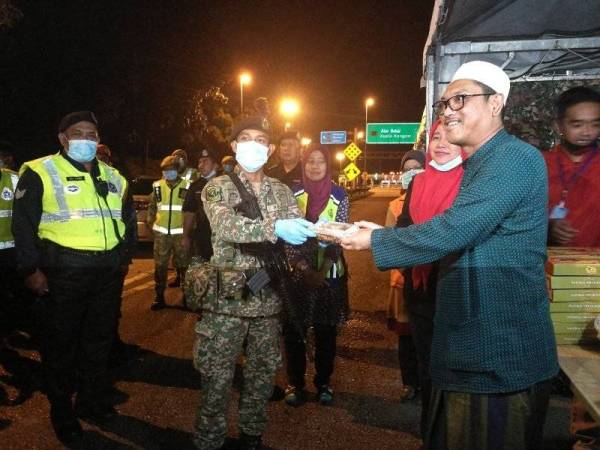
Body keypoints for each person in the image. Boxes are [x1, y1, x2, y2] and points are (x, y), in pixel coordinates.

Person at [341, 61, 559, 450]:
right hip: (469, 349)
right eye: (444, 104)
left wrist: (377, 243)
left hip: (498, 357)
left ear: (496, 103)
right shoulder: (481, 163)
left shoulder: (515, 159)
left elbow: (457, 227)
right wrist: (385, 233)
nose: (448, 111)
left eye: (461, 99)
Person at [12, 111, 136, 445]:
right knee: (60, 348)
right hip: (62, 274)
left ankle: (90, 402)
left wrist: (123, 259)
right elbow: (22, 226)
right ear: (63, 138)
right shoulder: (40, 171)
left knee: (98, 345)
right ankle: (62, 414)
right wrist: (30, 270)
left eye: (92, 134)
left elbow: (127, 221)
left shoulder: (114, 177)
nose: (86, 139)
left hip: (106, 275)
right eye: (78, 132)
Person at [193, 115, 315, 450]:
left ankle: (251, 434)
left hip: (268, 301)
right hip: (226, 303)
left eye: (261, 140)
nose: (253, 145)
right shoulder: (218, 186)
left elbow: (296, 240)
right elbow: (226, 226)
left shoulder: (281, 191)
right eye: (245, 138)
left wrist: (316, 240)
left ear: (271, 148)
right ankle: (209, 439)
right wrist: (273, 229)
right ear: (233, 146)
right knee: (216, 379)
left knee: (261, 378)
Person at [396, 120, 464, 436]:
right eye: (436, 136)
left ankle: (455, 431)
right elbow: (404, 227)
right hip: (420, 290)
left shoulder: (472, 182)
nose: (441, 143)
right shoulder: (417, 183)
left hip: (455, 290)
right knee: (427, 366)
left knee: (454, 368)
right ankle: (431, 431)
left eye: (450, 137)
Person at [283, 145, 350, 407]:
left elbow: (339, 236)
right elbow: (285, 238)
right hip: (297, 275)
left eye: (321, 161)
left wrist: (319, 272)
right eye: (310, 160)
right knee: (294, 331)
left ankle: (324, 383)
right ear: (303, 164)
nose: (315, 166)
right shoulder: (292, 194)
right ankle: (295, 383)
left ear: (328, 165)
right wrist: (302, 268)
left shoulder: (340, 195)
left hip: (329, 276)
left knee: (325, 332)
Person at [385, 149, 425, 403]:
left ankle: (427, 382)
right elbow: (389, 241)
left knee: (426, 335)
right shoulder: (395, 205)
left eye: (416, 168)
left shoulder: (436, 198)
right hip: (403, 279)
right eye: (406, 169)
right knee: (407, 337)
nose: (411, 173)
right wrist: (402, 269)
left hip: (428, 278)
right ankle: (409, 383)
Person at [544, 86, 600, 247]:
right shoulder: (539, 164)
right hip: (545, 262)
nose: (587, 132)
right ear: (558, 126)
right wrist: (548, 226)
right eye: (577, 125)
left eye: (595, 125)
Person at [147, 155, 190, 310]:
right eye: (165, 170)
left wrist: (189, 231)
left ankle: (187, 297)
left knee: (184, 266)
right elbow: (152, 206)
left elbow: (191, 211)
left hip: (180, 234)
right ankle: (159, 297)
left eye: (171, 169)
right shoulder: (157, 186)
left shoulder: (187, 186)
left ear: (177, 170)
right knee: (160, 267)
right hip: (161, 235)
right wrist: (151, 223)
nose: (168, 172)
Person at [182, 148, 220, 260]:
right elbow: (190, 212)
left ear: (215, 165)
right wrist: (184, 236)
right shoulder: (195, 186)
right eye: (199, 162)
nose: (200, 165)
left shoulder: (226, 183)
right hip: (202, 237)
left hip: (223, 238)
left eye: (205, 161)